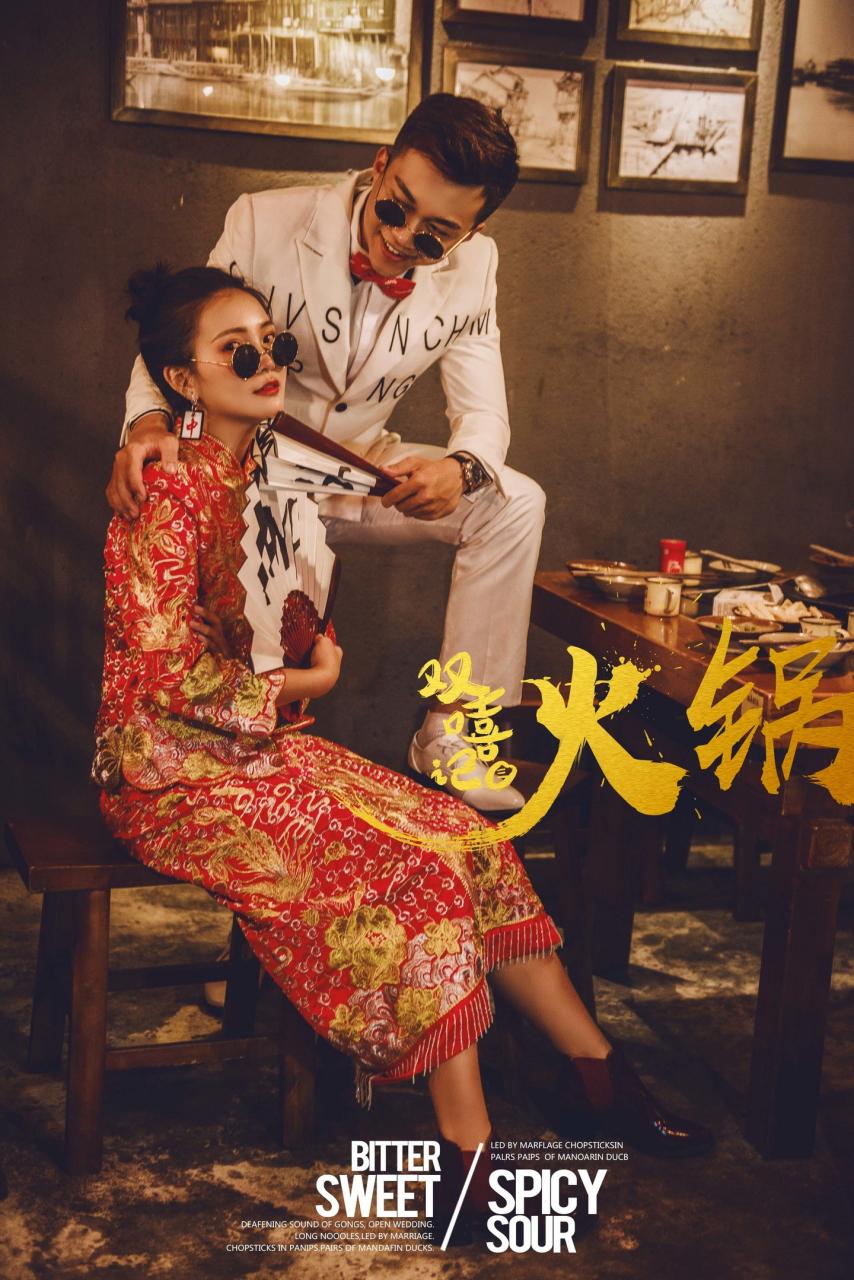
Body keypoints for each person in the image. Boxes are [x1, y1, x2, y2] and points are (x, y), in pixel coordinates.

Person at [94, 264, 713, 1239]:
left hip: (256, 749)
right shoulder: (166, 485)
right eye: (235, 351)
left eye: (272, 342)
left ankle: (594, 1073)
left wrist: (301, 648)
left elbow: (276, 609)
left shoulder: (265, 472)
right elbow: (167, 677)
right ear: (182, 378)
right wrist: (306, 683)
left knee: (464, 835)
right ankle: (467, 1153)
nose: (266, 361)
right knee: (414, 872)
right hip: (169, 772)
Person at [105, 94, 546, 816]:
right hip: (249, 478)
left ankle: (451, 729)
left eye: (435, 235)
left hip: (356, 473)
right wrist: (148, 420)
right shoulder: (266, 220)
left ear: (473, 232)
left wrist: (459, 469)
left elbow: (484, 411)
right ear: (380, 164)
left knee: (514, 501)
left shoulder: (478, 267)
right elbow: (178, 328)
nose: (401, 237)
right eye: (395, 207)